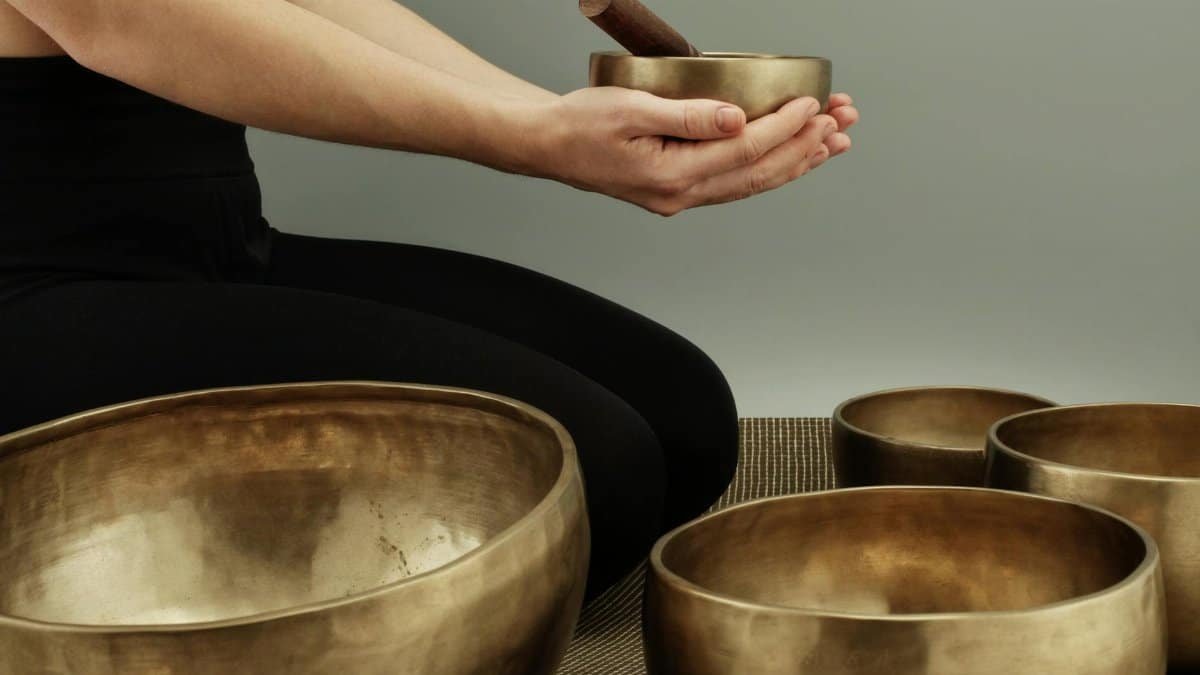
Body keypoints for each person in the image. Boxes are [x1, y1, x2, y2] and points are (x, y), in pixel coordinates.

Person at [0, 0, 858, 598]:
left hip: (217, 250)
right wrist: (536, 142)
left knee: (682, 416)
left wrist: (565, 116)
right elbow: (115, 17)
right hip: (26, 289)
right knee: (590, 474)